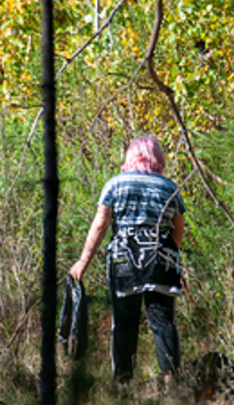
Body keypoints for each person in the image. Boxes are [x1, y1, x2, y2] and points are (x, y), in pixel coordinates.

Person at [69, 137, 186, 385]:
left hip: (124, 260)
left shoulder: (114, 185)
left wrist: (83, 261)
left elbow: (101, 223)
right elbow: (178, 231)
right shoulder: (170, 188)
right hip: (162, 260)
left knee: (124, 322)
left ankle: (123, 385)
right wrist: (169, 259)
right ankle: (171, 383)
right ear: (158, 159)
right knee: (163, 322)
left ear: (130, 157)